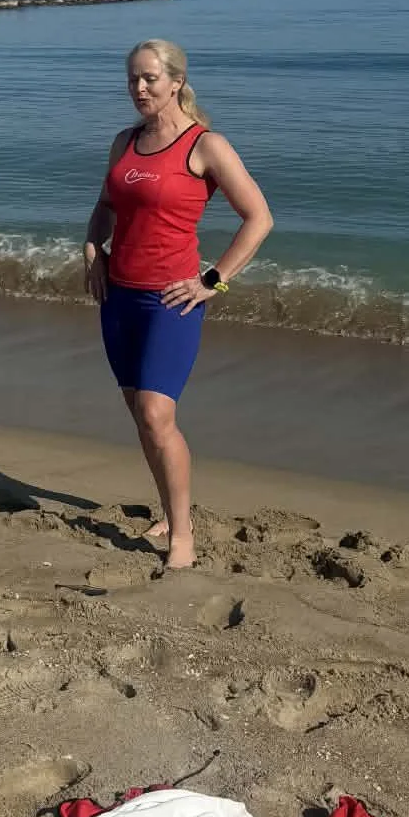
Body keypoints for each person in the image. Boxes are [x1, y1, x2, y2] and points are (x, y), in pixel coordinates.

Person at [83, 39, 274, 569]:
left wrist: (214, 279)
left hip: (170, 301)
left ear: (176, 82)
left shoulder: (205, 145)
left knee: (156, 413)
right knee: (142, 417)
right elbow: (104, 206)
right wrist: (93, 249)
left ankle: (182, 536)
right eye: (132, 79)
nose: (139, 88)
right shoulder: (124, 142)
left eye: (149, 78)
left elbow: (259, 218)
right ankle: (170, 511)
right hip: (117, 297)